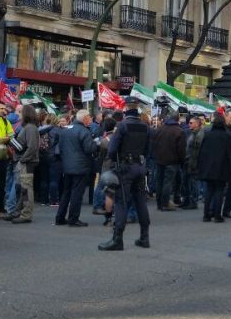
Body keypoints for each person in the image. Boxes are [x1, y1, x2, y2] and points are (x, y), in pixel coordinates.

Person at [99, 97, 153, 250]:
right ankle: (144, 237)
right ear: (137, 109)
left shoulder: (122, 126)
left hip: (125, 168)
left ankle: (117, 240)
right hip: (139, 167)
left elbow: (111, 150)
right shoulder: (145, 126)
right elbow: (149, 150)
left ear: (126, 108)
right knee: (141, 202)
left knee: (121, 202)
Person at [56, 109, 96, 227]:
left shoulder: (65, 130)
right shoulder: (84, 131)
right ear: (85, 118)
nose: (91, 119)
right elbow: (90, 149)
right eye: (89, 117)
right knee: (77, 193)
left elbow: (60, 148)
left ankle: (60, 217)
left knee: (66, 192)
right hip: (80, 166)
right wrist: (96, 143)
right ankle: (73, 219)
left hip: (67, 166)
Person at [196, 113, 231, 223]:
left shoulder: (208, 135)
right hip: (221, 168)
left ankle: (206, 215)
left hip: (208, 167)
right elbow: (229, 154)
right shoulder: (226, 136)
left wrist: (200, 166)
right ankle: (217, 215)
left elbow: (202, 152)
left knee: (209, 191)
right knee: (219, 191)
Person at [151, 109, 186, 211]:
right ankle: (165, 203)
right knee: (168, 183)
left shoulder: (160, 129)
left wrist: (155, 156)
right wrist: (182, 160)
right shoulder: (179, 131)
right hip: (172, 161)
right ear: (177, 119)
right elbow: (181, 149)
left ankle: (159, 203)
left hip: (159, 160)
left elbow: (154, 144)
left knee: (159, 182)